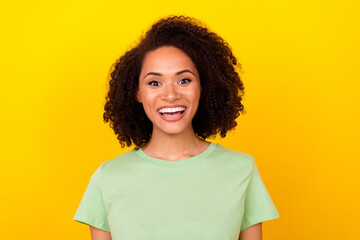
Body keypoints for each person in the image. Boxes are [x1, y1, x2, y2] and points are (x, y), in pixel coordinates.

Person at [73, 15, 279, 240]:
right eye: (154, 83)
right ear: (137, 93)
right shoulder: (108, 178)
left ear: (202, 86)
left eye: (184, 80)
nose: (170, 95)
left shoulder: (241, 170)